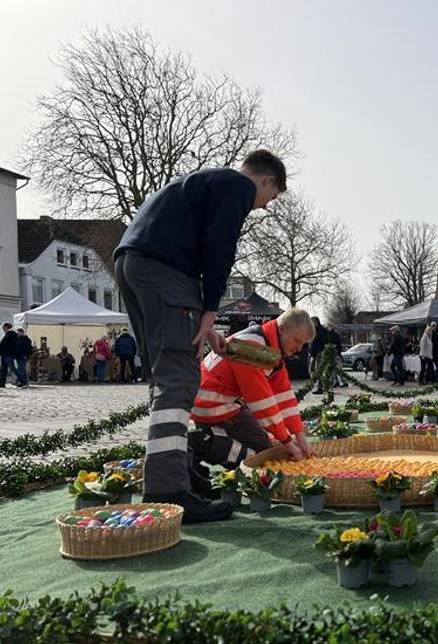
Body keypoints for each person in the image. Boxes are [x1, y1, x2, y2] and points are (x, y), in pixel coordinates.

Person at [114, 148, 287, 523]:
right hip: (166, 271)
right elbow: (218, 248)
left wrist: (206, 330)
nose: (261, 207)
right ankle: (167, 489)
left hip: (133, 263)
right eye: (269, 198)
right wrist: (210, 309)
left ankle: (175, 469)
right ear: (267, 180)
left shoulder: (206, 183)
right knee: (179, 376)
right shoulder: (238, 187)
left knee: (164, 375)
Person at [189, 308, 315, 481]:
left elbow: (284, 396)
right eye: (296, 341)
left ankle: (213, 439)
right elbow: (261, 402)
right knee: (260, 456)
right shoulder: (252, 347)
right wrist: (287, 441)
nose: (299, 349)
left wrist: (300, 436)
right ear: (282, 328)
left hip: (220, 404)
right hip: (212, 406)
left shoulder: (268, 346)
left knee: (261, 449)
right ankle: (204, 443)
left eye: (303, 344)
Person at [309, 316, 331, 393]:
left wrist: (321, 352)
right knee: (312, 370)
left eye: (312, 322)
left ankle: (320, 387)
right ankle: (321, 386)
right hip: (313, 354)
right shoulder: (314, 330)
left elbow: (325, 341)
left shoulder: (322, 331)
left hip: (319, 354)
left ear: (316, 322)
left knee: (318, 371)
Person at [0, 323, 19, 388]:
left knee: (12, 368)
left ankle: (22, 380)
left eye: (3, 328)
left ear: (6, 327)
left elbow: (11, 345)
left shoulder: (11, 334)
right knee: (3, 370)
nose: (3, 329)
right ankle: (2, 383)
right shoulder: (9, 334)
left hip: (8, 354)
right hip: (5, 354)